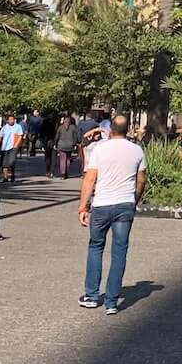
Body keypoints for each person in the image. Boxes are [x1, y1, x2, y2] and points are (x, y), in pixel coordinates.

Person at [77, 113, 146, 315]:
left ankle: (91, 295)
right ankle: (112, 302)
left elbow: (89, 179)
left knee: (96, 246)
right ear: (127, 130)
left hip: (101, 204)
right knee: (119, 251)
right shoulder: (137, 150)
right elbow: (141, 180)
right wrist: (135, 199)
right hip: (125, 204)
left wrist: (83, 206)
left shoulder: (100, 149)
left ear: (111, 129)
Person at [0, 112, 25, 184]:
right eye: (10, 119)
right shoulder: (4, 128)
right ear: (7, 120)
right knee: (4, 164)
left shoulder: (18, 127)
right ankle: (5, 177)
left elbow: (20, 136)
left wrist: (16, 144)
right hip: (4, 148)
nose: (12, 121)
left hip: (13, 147)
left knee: (11, 162)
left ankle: (12, 175)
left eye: (13, 119)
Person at [54, 113, 79, 178]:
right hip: (70, 146)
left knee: (62, 159)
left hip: (61, 145)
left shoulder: (60, 127)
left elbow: (57, 136)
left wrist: (55, 143)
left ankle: (63, 173)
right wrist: (75, 144)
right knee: (68, 159)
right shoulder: (73, 127)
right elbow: (75, 137)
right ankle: (66, 172)